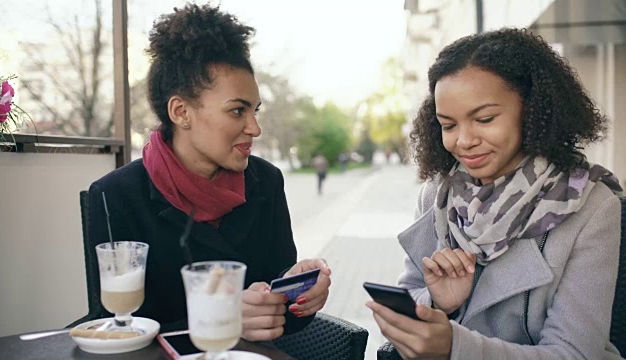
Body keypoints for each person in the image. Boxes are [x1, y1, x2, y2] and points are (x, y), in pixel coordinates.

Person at [366, 28, 624, 359]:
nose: (464, 140)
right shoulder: (437, 196)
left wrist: (456, 347)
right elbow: (410, 294)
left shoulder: (590, 205)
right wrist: (439, 304)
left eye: (484, 119)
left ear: (532, 111)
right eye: (448, 125)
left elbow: (574, 353)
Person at [81, 3, 331, 341]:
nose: (254, 128)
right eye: (238, 111)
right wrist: (222, 316)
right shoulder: (116, 196)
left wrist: (299, 295)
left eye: (255, 111)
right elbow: (116, 327)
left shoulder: (266, 182)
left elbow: (283, 317)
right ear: (181, 111)